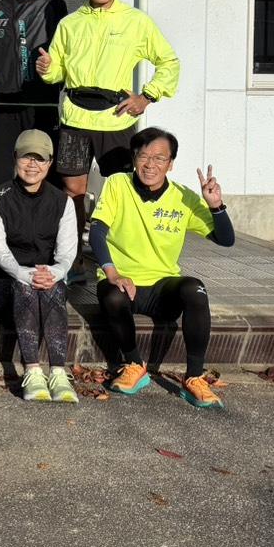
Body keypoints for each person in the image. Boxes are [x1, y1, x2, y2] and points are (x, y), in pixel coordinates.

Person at [35, 0, 180, 233]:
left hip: (116, 119)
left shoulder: (136, 21)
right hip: (75, 119)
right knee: (72, 190)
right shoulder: (70, 23)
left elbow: (169, 62)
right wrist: (47, 69)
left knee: (122, 190)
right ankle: (73, 253)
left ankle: (117, 249)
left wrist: (147, 97)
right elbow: (58, 72)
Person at [91, 127, 234, 409]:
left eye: (159, 158)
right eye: (143, 156)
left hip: (162, 287)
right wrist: (113, 272)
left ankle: (194, 378)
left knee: (195, 289)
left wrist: (216, 206)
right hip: (123, 283)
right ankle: (134, 364)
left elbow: (226, 239)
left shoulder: (183, 197)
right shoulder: (118, 184)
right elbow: (97, 231)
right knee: (111, 294)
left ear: (171, 164)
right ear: (134, 158)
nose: (150, 164)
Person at [0, 129, 78, 403]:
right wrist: (23, 274)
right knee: (26, 288)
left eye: (40, 158)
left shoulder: (63, 202)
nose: (32, 165)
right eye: (26, 157)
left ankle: (58, 372)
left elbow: (67, 253)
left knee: (53, 287)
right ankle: (33, 371)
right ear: (15, 158)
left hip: (46, 281)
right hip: (2, 281)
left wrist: (54, 273)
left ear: (50, 163)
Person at [0, 0, 67, 189]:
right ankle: (1, 215)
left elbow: (65, 49)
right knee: (1, 173)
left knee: (41, 171)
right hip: (3, 102)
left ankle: (42, 216)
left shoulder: (52, 4)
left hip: (39, 101)